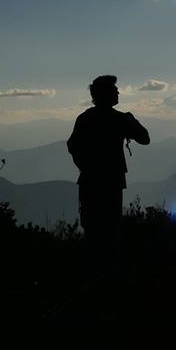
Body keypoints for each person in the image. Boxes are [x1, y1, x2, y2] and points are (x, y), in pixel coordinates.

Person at [67, 75, 150, 273]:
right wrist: (132, 120)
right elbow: (145, 139)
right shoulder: (120, 119)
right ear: (106, 94)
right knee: (111, 230)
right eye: (115, 90)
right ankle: (108, 274)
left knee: (93, 230)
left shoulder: (85, 118)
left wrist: (85, 167)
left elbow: (72, 146)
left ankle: (93, 272)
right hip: (112, 182)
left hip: (89, 182)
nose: (118, 92)